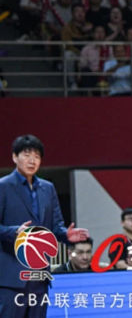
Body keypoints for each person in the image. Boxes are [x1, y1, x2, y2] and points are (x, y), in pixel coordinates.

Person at [1, 134, 90, 317]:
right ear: (14, 157)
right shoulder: (3, 187)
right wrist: (13, 232)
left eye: (37, 156)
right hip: (11, 278)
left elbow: (55, 226)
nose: (32, 160)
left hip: (39, 277)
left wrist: (66, 235)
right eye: (27, 155)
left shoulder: (47, 188)